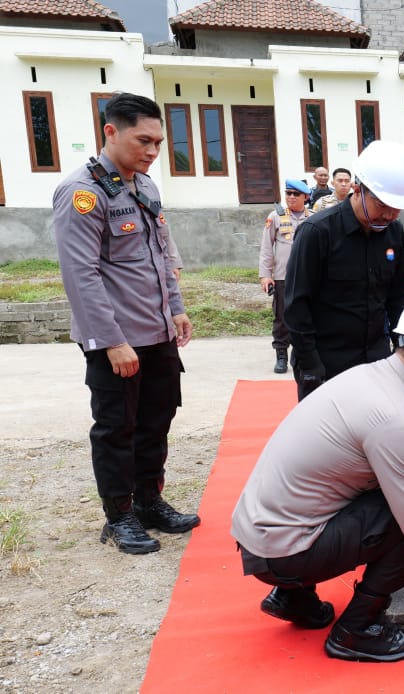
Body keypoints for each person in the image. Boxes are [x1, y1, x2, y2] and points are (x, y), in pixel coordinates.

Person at [231, 291, 404, 663]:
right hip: (282, 550)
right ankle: (357, 629)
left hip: (260, 538)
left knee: (387, 495)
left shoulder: (370, 375)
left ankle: (293, 596)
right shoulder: (394, 417)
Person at [52, 92, 199, 555]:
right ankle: (119, 516)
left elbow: (160, 257)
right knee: (117, 426)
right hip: (116, 340)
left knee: (158, 418)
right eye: (144, 140)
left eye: (158, 142)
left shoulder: (147, 187)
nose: (153, 151)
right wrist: (111, 341)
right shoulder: (82, 193)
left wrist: (175, 307)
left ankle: (149, 502)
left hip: (156, 333)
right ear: (110, 132)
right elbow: (81, 275)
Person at [284, 141, 404, 401]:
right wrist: (310, 366)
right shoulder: (317, 233)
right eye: (382, 205)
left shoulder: (394, 234)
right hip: (326, 362)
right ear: (357, 189)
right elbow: (297, 305)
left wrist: (402, 353)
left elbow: (398, 298)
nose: (388, 215)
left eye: (396, 208)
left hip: (375, 361)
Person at [260, 179, 313, 374]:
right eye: (288, 193)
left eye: (295, 194)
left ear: (305, 197)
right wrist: (265, 276)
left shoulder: (314, 217)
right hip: (283, 277)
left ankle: (302, 354)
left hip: (309, 277)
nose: (290, 197)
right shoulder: (275, 216)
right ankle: (281, 354)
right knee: (282, 317)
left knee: (307, 316)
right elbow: (266, 248)